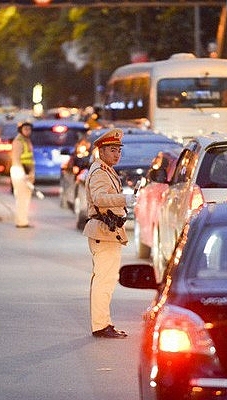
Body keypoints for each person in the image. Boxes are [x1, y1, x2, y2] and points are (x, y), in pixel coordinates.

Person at [82, 128, 135, 339]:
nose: (116, 154)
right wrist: (125, 199)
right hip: (103, 231)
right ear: (101, 151)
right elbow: (100, 198)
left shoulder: (105, 170)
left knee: (106, 279)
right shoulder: (99, 172)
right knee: (104, 280)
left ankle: (104, 323)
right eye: (112, 150)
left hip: (108, 231)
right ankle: (101, 325)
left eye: (118, 150)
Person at [10, 121, 35, 228]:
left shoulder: (26, 140)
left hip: (26, 172)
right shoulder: (19, 141)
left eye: (29, 129)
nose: (28, 131)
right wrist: (24, 174)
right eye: (25, 129)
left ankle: (23, 220)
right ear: (21, 130)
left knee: (25, 197)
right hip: (20, 172)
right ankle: (21, 221)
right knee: (22, 198)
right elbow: (16, 159)